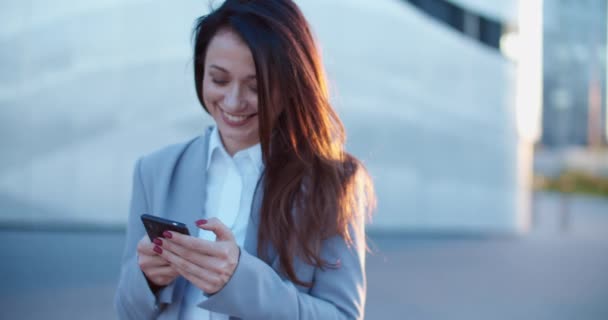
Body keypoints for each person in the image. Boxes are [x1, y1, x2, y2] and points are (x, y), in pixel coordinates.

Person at [114, 0, 376, 319]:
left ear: (291, 82)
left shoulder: (333, 181)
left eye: (256, 86)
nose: (234, 101)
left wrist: (239, 279)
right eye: (219, 80)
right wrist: (147, 278)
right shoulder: (155, 171)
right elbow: (126, 311)